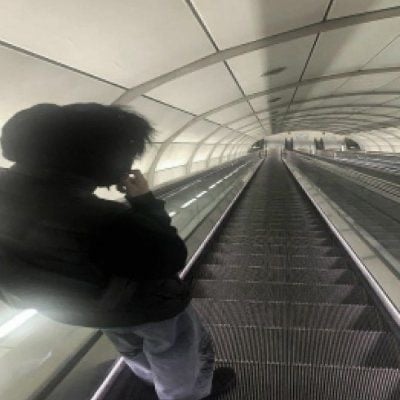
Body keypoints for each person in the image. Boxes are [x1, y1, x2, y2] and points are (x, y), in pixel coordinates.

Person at [0, 103, 235, 400]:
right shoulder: (105, 220)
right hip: (148, 306)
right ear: (95, 159)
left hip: (75, 308)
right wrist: (145, 202)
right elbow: (169, 256)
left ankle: (150, 380)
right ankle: (187, 395)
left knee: (130, 346)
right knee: (175, 353)